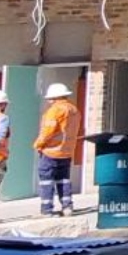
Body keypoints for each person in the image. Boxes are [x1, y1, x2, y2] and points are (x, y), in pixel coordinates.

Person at [33, 82, 82, 217]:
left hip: (51, 151)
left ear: (54, 97)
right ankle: (67, 207)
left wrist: (38, 144)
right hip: (66, 151)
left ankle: (46, 209)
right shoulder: (74, 110)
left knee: (46, 179)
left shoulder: (55, 110)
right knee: (64, 179)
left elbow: (48, 131)